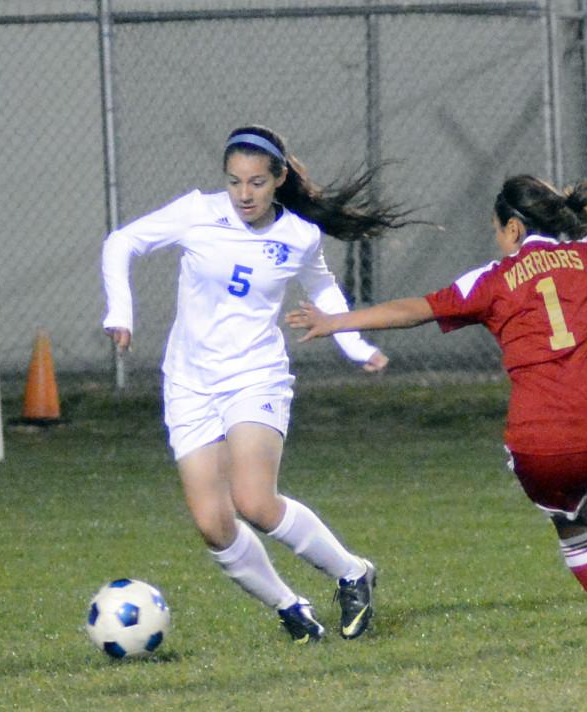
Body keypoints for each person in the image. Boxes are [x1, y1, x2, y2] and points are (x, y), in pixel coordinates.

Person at [286, 163, 587, 642]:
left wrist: (335, 322)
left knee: (572, 522)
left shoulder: (492, 280)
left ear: (513, 228)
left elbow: (415, 311)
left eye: (497, 230)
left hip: (540, 440)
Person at [101, 124, 414, 643]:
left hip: (255, 376)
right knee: (213, 524)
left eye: (256, 183)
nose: (244, 194)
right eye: (235, 182)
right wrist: (120, 311)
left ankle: (351, 572)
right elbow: (122, 242)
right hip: (189, 382)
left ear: (279, 179)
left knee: (254, 501)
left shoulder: (299, 234)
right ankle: (290, 607)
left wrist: (354, 345)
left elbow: (324, 292)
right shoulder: (199, 212)